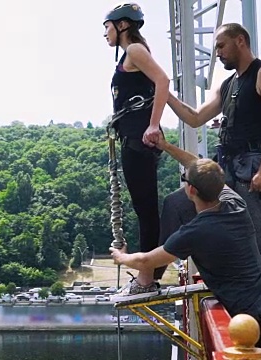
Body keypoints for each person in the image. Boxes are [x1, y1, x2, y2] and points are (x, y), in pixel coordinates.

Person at [110, 138, 261, 360]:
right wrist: (166, 147)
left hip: (250, 329)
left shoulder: (194, 233)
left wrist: (121, 256)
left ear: (190, 190)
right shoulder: (236, 205)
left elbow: (146, 261)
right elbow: (200, 165)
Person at [165, 23, 261, 314]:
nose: (217, 53)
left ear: (240, 41)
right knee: (179, 204)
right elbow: (195, 118)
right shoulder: (228, 84)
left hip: (253, 168)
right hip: (227, 170)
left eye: (221, 46)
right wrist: (164, 93)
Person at [103, 3, 170, 292]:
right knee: (144, 209)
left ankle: (147, 278)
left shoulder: (134, 51)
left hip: (138, 142)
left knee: (145, 210)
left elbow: (163, 80)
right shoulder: (133, 53)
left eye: (107, 27)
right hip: (133, 140)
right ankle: (150, 274)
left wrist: (153, 125)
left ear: (122, 26)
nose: (105, 33)